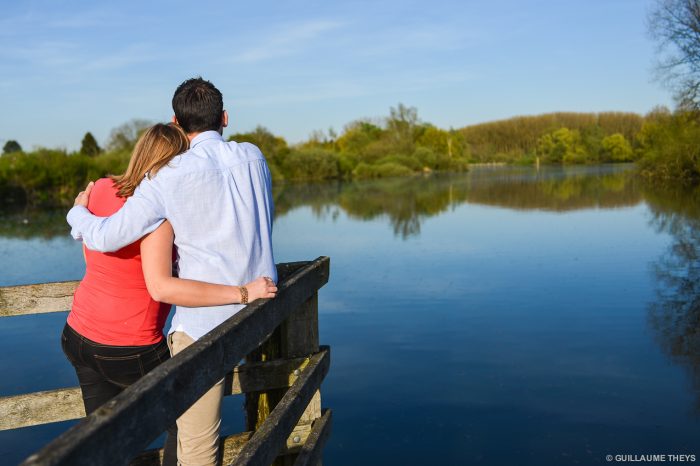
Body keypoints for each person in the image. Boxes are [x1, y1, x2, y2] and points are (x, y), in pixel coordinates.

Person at [67, 78, 277, 466]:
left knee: (197, 448)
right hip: (259, 315)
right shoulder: (254, 156)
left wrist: (77, 213)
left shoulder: (166, 175)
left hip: (204, 325)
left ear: (176, 123)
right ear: (225, 118)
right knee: (269, 420)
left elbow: (109, 236)